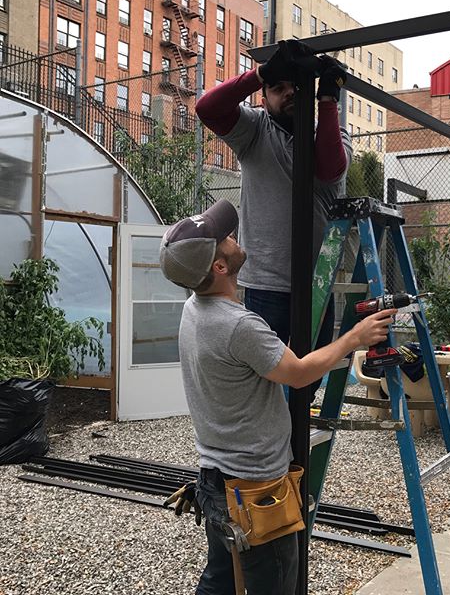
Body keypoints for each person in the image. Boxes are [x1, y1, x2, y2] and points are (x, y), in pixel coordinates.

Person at [158, 199, 395, 595]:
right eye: (226, 238)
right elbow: (299, 374)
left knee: (219, 580)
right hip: (256, 490)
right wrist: (355, 337)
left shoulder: (192, 310)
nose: (234, 237)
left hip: (215, 482)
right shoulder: (238, 326)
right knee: (275, 583)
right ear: (219, 267)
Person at [195, 42, 351, 394]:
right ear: (264, 98)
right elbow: (206, 107)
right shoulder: (255, 129)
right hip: (267, 283)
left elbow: (329, 170)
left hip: (316, 285)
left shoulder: (333, 134)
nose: (288, 93)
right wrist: (260, 74)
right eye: (277, 89)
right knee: (265, 385)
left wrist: (327, 102)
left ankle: (295, 447)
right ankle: (274, 448)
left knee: (308, 380)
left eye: (294, 87)